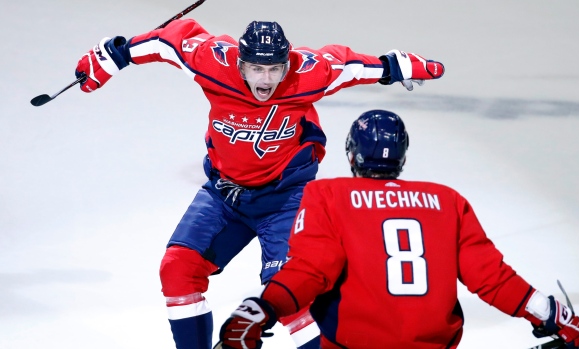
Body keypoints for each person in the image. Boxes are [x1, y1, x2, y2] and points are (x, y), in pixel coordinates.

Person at [73, 19, 445, 349]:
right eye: (255, 69)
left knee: (290, 294)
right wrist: (113, 55)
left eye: (274, 69)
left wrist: (395, 66)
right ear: (239, 64)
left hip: (286, 201)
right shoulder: (211, 62)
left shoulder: (308, 73)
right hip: (224, 196)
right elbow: (166, 42)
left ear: (287, 64)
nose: (266, 80)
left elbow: (351, 66)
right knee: (177, 268)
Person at [216, 110, 579, 349]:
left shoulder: (328, 194)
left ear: (351, 155)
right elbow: (490, 277)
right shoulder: (446, 200)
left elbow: (312, 269)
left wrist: (261, 307)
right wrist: (550, 312)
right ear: (403, 156)